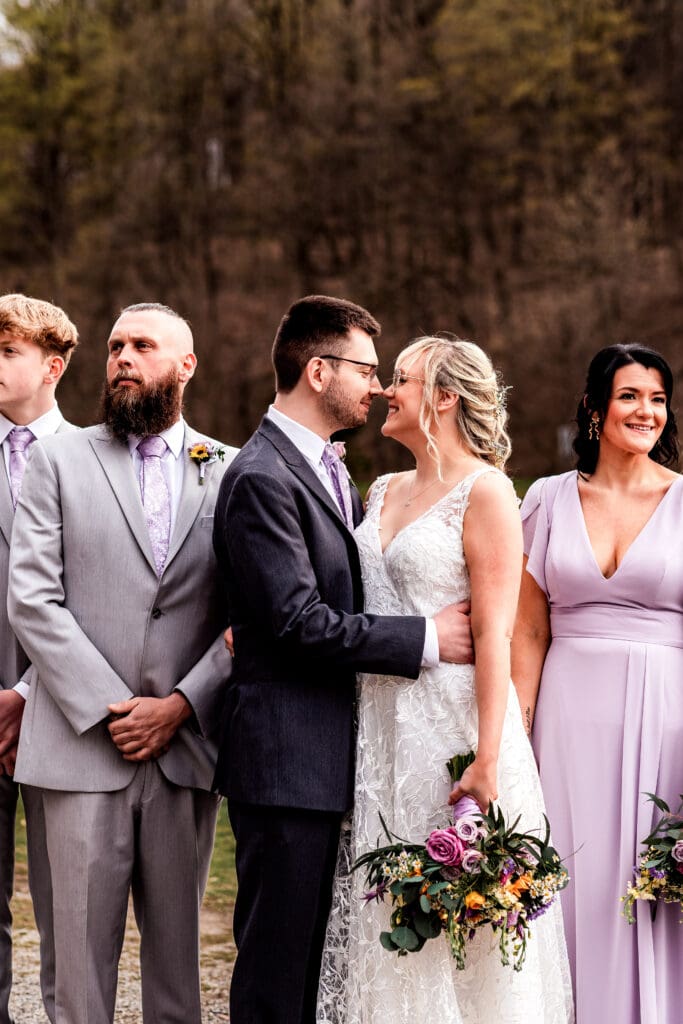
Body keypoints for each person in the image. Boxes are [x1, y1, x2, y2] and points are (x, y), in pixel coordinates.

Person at [212, 296, 474, 1024]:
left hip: (335, 759)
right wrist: (424, 639)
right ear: (318, 370)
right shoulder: (262, 475)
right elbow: (298, 621)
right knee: (276, 975)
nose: (379, 387)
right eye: (365, 369)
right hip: (287, 761)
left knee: (317, 974)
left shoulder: (330, 471)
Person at [317, 335, 573, 1024]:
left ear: (443, 397)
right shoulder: (382, 488)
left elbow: (495, 634)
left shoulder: (485, 492)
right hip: (381, 726)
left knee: (464, 935)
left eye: (398, 378)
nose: (382, 390)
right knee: (391, 918)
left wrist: (488, 759)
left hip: (454, 733)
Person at [7, 302, 237, 1024]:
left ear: (186, 365)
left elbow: (244, 615)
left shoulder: (229, 471)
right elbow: (33, 600)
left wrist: (180, 705)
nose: (123, 359)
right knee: (76, 976)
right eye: (114, 346)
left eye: (142, 345)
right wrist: (117, 711)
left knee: (177, 976)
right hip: (79, 747)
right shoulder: (57, 459)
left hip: (184, 749)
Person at [512, 343, 682, 1024]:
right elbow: (527, 631)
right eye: (629, 396)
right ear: (592, 407)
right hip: (567, 717)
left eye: (658, 399)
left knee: (655, 888)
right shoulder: (546, 498)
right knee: (570, 883)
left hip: (667, 716)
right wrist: (513, 732)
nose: (646, 411)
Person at [0, 294, 79, 1024]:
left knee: (68, 912)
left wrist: (28, 689)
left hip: (60, 709)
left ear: (51, 367)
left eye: (6, 352)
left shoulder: (96, 460)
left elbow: (93, 597)